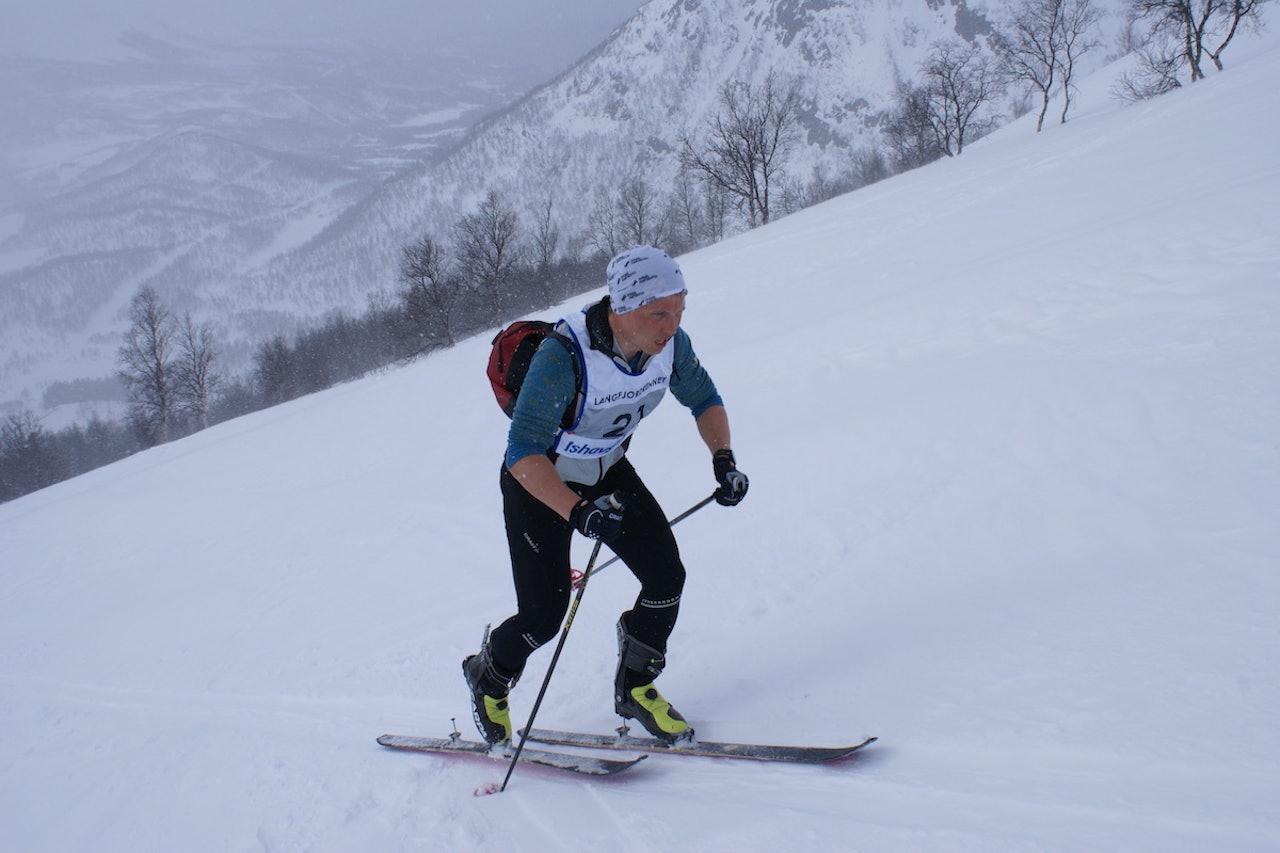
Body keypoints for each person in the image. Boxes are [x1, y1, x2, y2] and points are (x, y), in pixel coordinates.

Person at [463, 245, 749, 745]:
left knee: (666, 578)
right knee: (542, 617)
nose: (671, 325)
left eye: (680, 310)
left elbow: (704, 398)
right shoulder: (564, 356)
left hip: (608, 474)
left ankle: (636, 686)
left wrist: (723, 459)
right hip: (541, 485)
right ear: (621, 307)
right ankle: (488, 674)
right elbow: (522, 453)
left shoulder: (671, 349)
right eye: (659, 312)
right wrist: (580, 513)